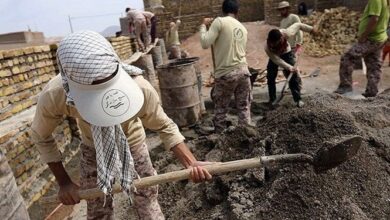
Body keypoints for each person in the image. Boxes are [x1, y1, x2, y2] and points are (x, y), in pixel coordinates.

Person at [31, 31, 212, 220]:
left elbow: (164, 125)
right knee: (97, 208)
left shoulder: (139, 88)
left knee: (147, 200)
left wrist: (191, 163)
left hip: (133, 143)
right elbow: (40, 135)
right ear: (71, 82)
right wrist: (64, 183)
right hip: (92, 148)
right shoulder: (56, 94)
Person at [200, 0, 252, 133]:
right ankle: (246, 137)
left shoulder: (219, 22)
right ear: (237, 12)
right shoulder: (243, 28)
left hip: (227, 73)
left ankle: (220, 139)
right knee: (244, 108)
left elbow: (205, 43)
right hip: (244, 72)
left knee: (221, 109)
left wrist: (203, 26)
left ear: (223, 10)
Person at [334, 0, 389, 97]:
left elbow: (374, 18)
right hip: (380, 38)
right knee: (374, 64)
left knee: (347, 57)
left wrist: (364, 35)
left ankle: (345, 86)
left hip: (371, 38)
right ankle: (372, 91)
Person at [265, 23, 318, 107]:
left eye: (276, 43)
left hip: (286, 53)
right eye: (272, 44)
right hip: (274, 56)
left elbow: (298, 25)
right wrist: (289, 67)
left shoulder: (286, 33)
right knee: (270, 76)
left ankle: (298, 99)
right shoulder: (267, 47)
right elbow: (277, 60)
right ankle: (272, 100)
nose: (273, 45)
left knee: (293, 76)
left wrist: (311, 29)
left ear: (281, 38)